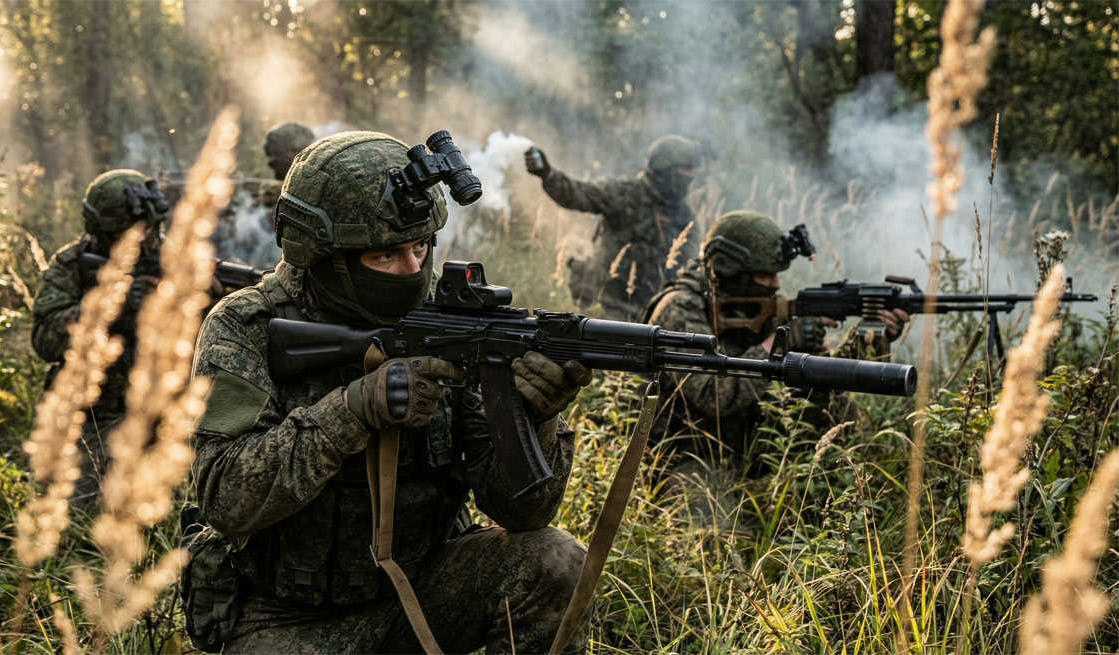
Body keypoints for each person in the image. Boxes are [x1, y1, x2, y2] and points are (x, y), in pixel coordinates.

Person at [183, 130, 593, 653]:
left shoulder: (452, 322)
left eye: (420, 246)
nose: (412, 269)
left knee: (553, 562)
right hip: (287, 618)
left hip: (426, 591)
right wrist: (353, 411)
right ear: (323, 255)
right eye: (385, 256)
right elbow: (224, 497)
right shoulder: (248, 326)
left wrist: (533, 415)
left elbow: (526, 515)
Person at [643, 211, 909, 517]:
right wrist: (782, 342)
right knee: (714, 540)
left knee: (834, 408)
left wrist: (869, 337)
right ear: (733, 272)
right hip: (684, 455)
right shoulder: (677, 309)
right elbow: (715, 395)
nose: (775, 283)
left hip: (746, 443)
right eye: (765, 275)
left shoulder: (754, 303)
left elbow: (818, 379)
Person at [30, 168, 169, 501]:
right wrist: (111, 307)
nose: (145, 239)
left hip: (162, 410)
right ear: (104, 233)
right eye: (131, 234)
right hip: (94, 414)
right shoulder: (73, 266)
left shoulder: (174, 257)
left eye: (149, 230)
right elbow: (44, 338)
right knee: (84, 510)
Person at [525, 135, 701, 320]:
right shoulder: (625, 193)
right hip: (606, 304)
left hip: (650, 313)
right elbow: (577, 194)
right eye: (685, 171)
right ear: (665, 170)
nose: (690, 177)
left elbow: (689, 265)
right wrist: (548, 174)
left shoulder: (684, 215)